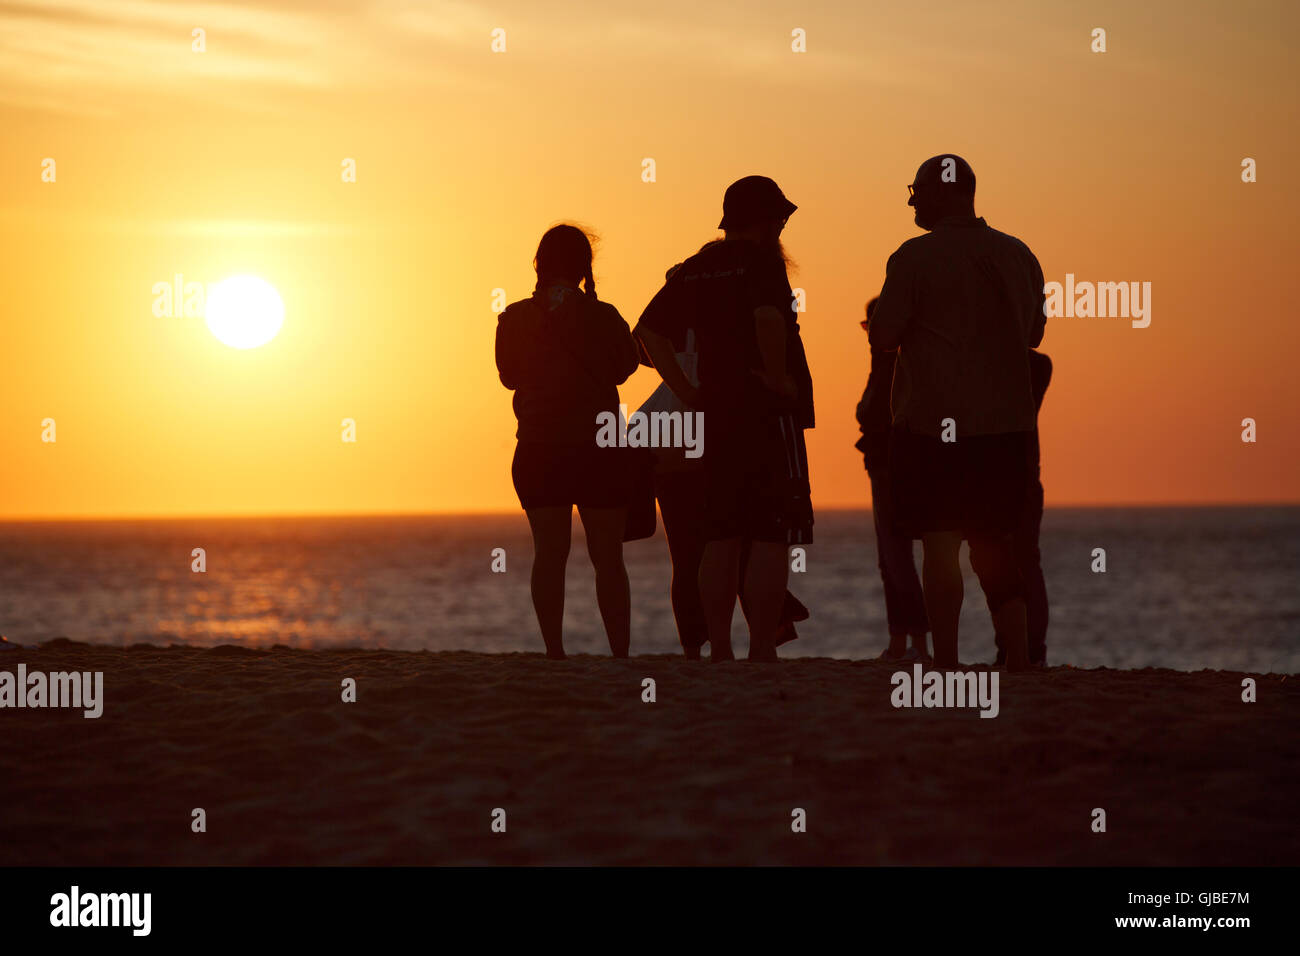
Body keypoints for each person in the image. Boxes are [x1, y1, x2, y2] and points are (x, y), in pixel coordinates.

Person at [868, 155, 1046, 672]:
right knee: (997, 547)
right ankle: (1018, 662)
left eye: (916, 189)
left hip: (932, 426)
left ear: (945, 191)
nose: (910, 199)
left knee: (941, 547)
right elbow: (1033, 336)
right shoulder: (1018, 255)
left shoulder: (913, 258)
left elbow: (883, 336)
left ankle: (945, 661)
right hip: (1005, 427)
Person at [636, 176, 814, 662]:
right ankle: (761, 648)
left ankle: (719, 648)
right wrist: (778, 379)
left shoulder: (696, 269)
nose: (782, 226)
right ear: (766, 219)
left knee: (720, 536)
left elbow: (648, 331)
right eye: (779, 217)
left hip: (711, 418)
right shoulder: (761, 263)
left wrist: (686, 390)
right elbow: (769, 319)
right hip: (765, 415)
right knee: (771, 535)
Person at [495, 224, 639, 659]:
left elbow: (508, 377)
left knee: (549, 554)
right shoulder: (605, 316)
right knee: (608, 558)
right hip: (598, 448)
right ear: (584, 267)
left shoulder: (513, 317)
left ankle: (554, 652)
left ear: (539, 263)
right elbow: (624, 367)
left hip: (539, 447)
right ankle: (619, 654)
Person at [855, 296, 929, 661]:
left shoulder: (894, 364)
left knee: (896, 556)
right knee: (890, 557)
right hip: (883, 465)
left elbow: (875, 412)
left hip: (892, 467)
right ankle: (901, 640)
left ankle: (917, 641)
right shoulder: (885, 363)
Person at [988, 348, 1052, 666]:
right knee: (1022, 562)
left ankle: (1018, 647)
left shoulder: (1010, 364)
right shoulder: (1037, 365)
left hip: (1008, 478)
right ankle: (1023, 648)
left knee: (1005, 561)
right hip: (1023, 476)